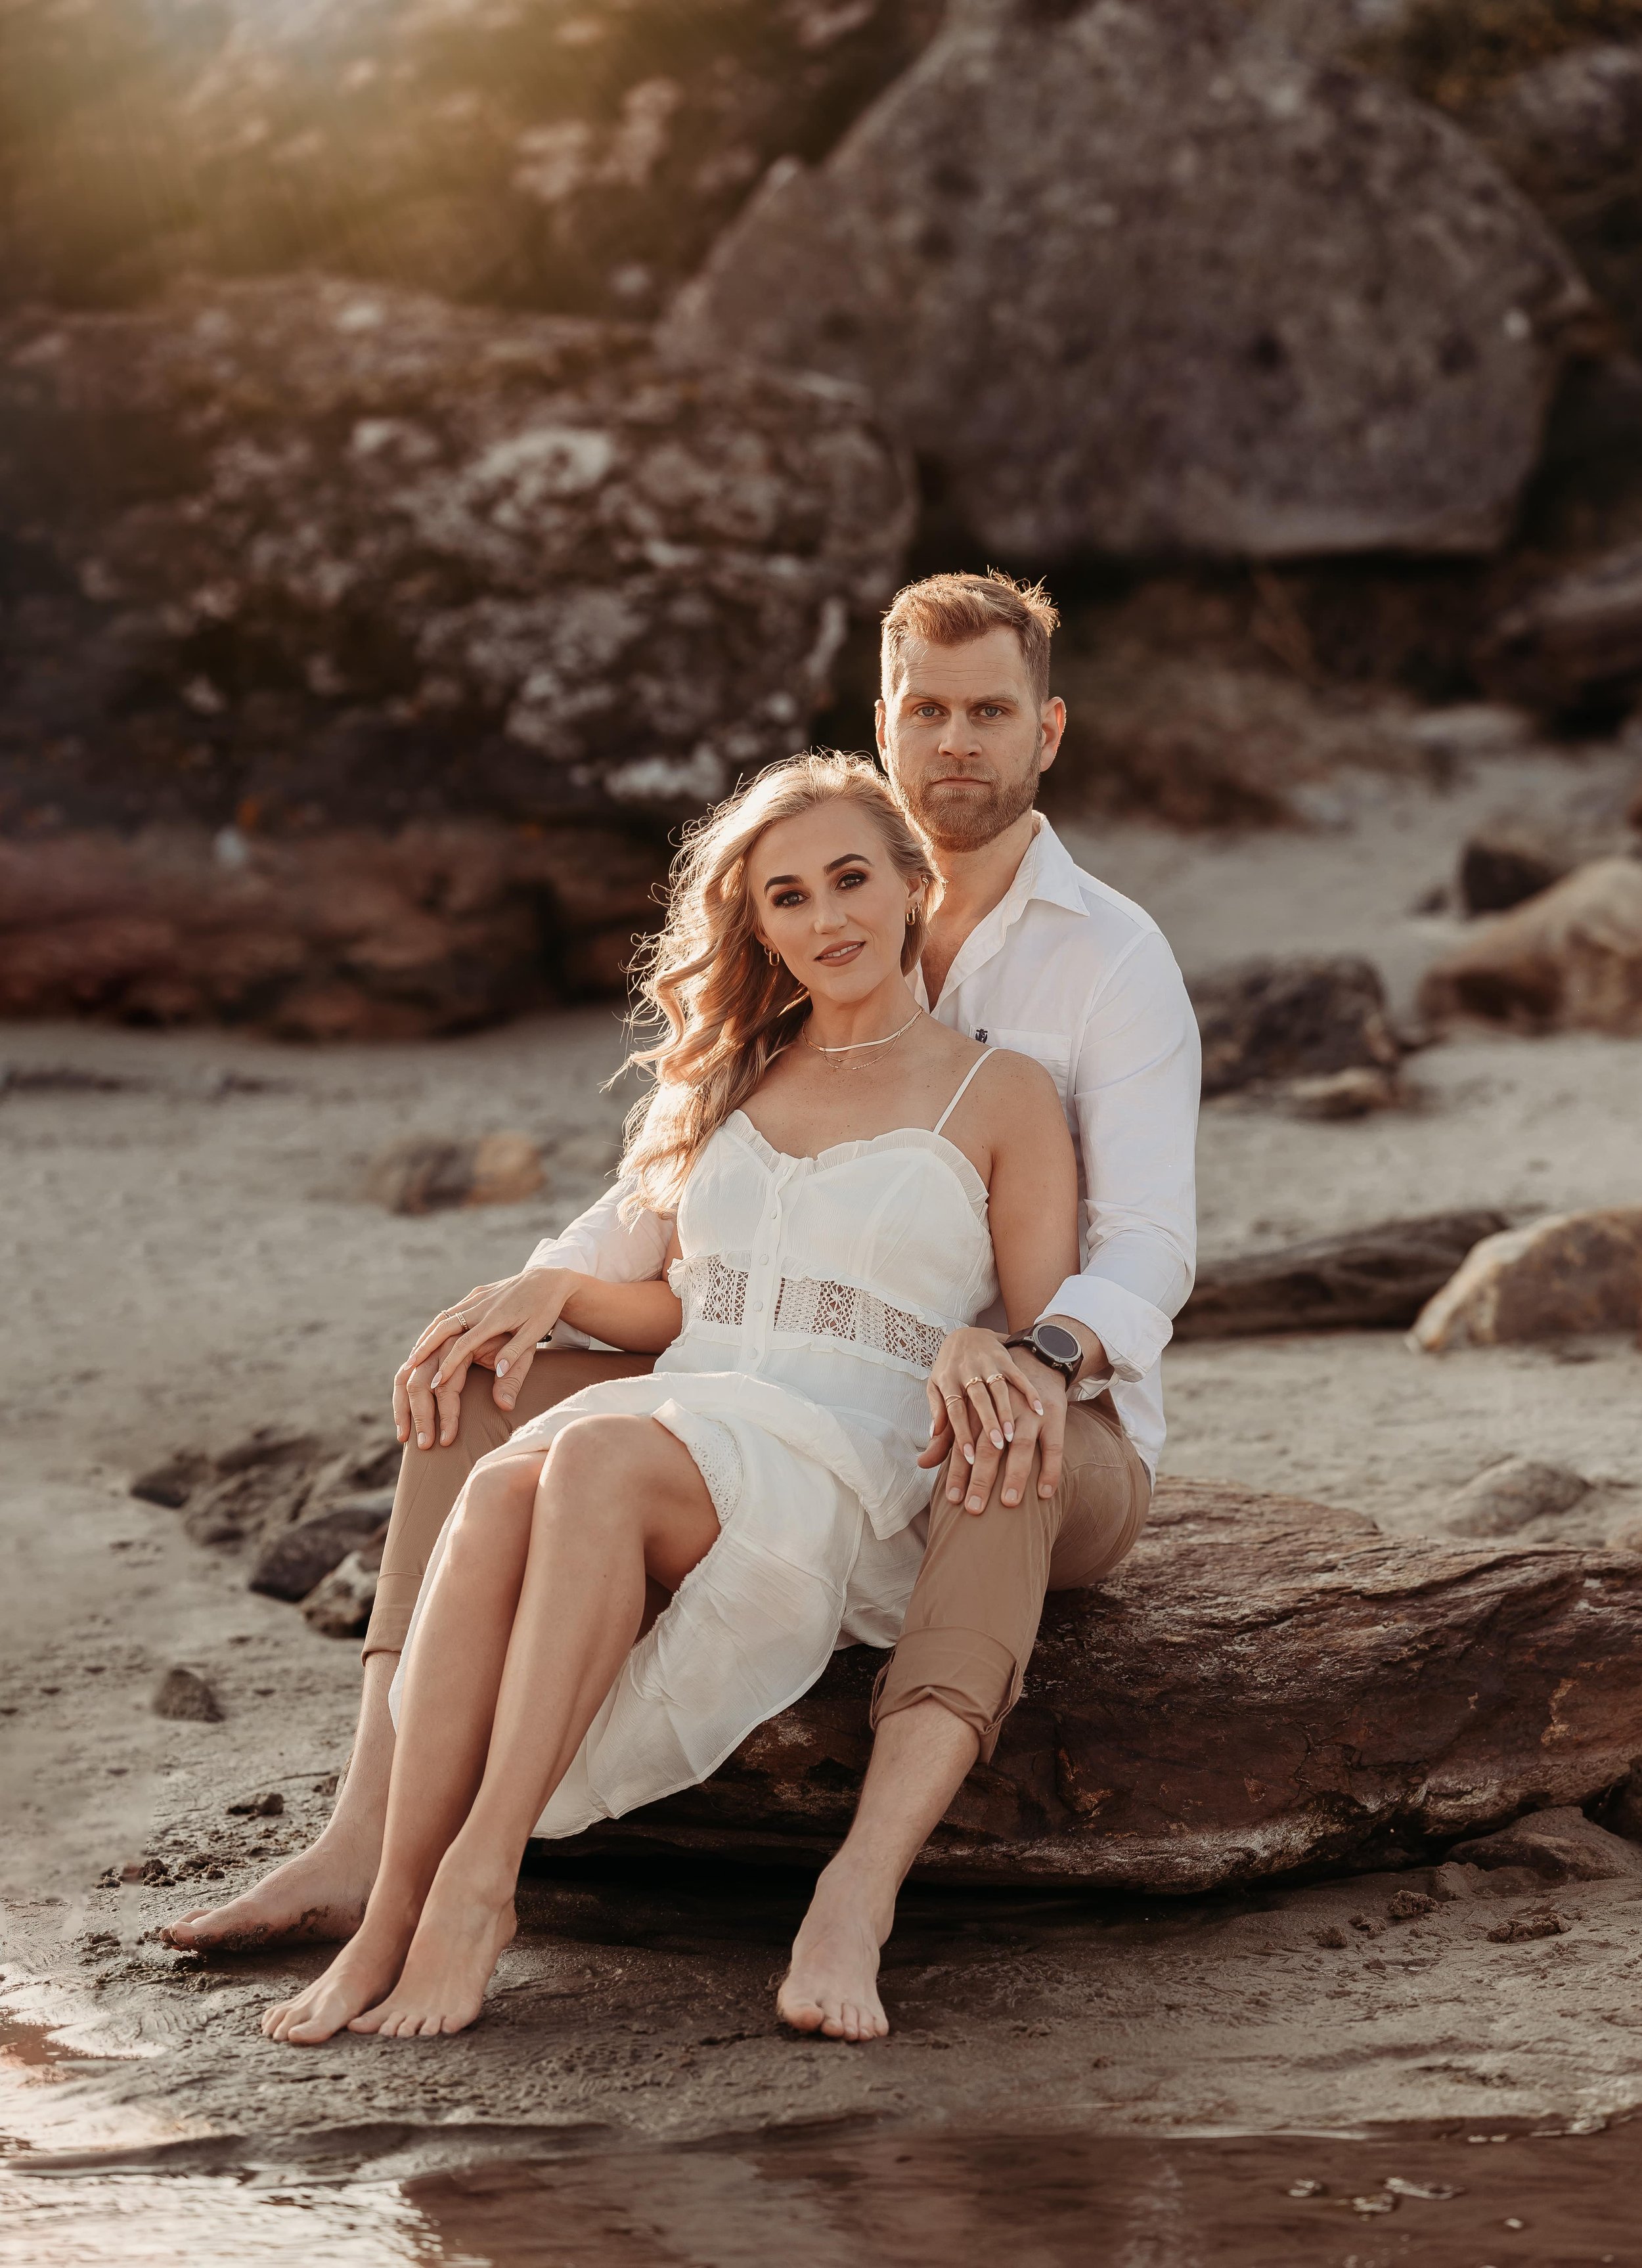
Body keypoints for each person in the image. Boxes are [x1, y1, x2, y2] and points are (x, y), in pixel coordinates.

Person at [167, 570, 1200, 2045]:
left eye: (989, 713)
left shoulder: (1104, 960)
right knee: (487, 1385)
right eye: (927, 711)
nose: (956, 740)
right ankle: (368, 1846)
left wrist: (1036, 1347)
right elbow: (681, 1219)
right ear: (885, 727)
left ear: (1046, 730)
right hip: (743, 1376)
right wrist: (545, 1282)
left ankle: (850, 1889)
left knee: (988, 1420)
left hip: (1046, 1391)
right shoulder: (774, 1009)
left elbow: (1147, 1244)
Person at [255, 749, 1078, 2041]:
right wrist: (562, 1294)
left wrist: (1010, 1347)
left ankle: (478, 1888)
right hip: (704, 1397)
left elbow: (1048, 1322)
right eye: (789, 897)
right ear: (756, 924)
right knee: (509, 1475)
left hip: (846, 1452)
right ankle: (389, 1905)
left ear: (914, 884)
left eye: (852, 879)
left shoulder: (1003, 1091)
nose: (828, 919)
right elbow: (695, 1302)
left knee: (583, 1460)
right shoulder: (734, 1075)